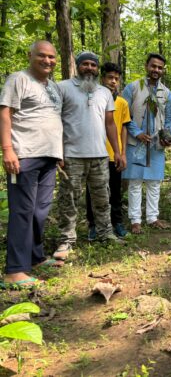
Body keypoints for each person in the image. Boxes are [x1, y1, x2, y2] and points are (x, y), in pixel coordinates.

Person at [0, 41, 64, 287]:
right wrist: (7, 150)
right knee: (23, 211)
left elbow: (52, 119)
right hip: (24, 154)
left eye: (51, 57)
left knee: (40, 210)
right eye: (42, 56)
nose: (47, 61)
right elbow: (5, 113)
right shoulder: (18, 79)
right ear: (30, 56)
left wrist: (59, 153)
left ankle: (35, 257)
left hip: (49, 156)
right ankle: (15, 270)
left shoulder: (53, 87)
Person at [53, 51, 125, 260]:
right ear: (77, 66)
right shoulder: (63, 87)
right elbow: (54, 121)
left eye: (93, 65)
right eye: (85, 64)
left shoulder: (104, 92)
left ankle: (105, 233)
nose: (89, 68)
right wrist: (57, 152)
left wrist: (118, 152)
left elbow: (110, 123)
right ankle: (66, 240)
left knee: (103, 197)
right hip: (71, 156)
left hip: (100, 156)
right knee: (70, 199)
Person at [122, 53, 171, 234]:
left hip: (155, 144)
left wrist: (169, 136)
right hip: (135, 143)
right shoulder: (133, 88)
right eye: (153, 66)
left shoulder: (167, 93)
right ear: (146, 66)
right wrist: (137, 133)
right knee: (135, 182)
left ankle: (152, 217)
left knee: (154, 182)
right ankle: (135, 220)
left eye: (160, 68)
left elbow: (169, 119)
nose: (156, 70)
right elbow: (124, 115)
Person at [85, 63, 131, 240]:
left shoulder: (122, 103)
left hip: (114, 154)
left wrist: (123, 152)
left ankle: (117, 222)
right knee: (93, 192)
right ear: (102, 78)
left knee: (115, 190)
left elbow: (123, 129)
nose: (113, 82)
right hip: (95, 153)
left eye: (116, 79)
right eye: (110, 78)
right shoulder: (92, 98)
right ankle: (93, 225)